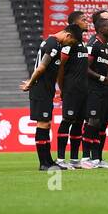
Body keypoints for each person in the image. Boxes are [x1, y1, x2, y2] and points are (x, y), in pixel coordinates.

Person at [20, 27, 75, 171]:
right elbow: (41, 67)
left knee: (46, 124)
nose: (69, 45)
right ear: (67, 35)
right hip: (40, 90)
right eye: (71, 42)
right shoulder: (53, 45)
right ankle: (43, 163)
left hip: (45, 90)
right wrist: (30, 83)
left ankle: (48, 161)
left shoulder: (53, 43)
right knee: (42, 125)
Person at [55, 11, 90, 168]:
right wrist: (63, 88)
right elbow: (61, 66)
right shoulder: (69, 44)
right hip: (71, 89)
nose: (86, 21)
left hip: (83, 90)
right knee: (67, 121)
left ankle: (75, 160)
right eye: (83, 20)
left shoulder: (82, 43)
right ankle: (61, 159)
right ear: (75, 24)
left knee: (79, 123)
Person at [83, 11, 108, 169]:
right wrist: (103, 78)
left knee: (103, 123)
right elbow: (85, 68)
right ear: (101, 28)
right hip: (94, 89)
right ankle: (86, 158)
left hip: (106, 89)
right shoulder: (93, 44)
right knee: (93, 121)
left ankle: (98, 158)